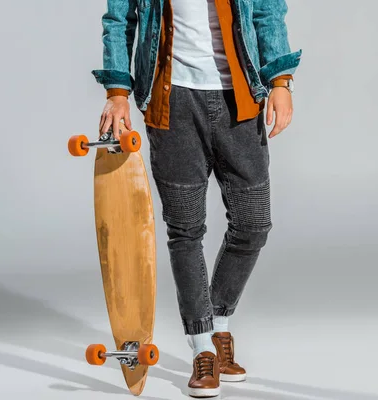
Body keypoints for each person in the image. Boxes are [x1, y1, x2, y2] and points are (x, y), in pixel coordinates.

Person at [92, 0, 300, 397]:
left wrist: (280, 80)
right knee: (185, 230)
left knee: (253, 224)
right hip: (172, 104)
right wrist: (117, 92)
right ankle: (203, 346)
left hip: (239, 98)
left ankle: (219, 322)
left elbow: (267, 11)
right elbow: (119, 18)